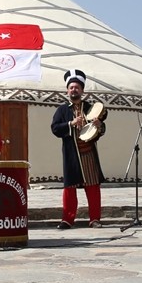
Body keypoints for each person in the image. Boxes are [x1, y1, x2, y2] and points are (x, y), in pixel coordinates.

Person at [50, 68, 105, 229]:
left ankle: (94, 219)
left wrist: (99, 125)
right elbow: (55, 128)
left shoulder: (90, 107)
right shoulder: (62, 110)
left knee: (93, 186)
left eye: (77, 87)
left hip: (88, 153)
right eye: (71, 87)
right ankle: (67, 220)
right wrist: (71, 123)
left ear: (82, 90)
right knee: (70, 188)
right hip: (72, 154)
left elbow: (102, 128)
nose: (74, 90)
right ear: (67, 90)